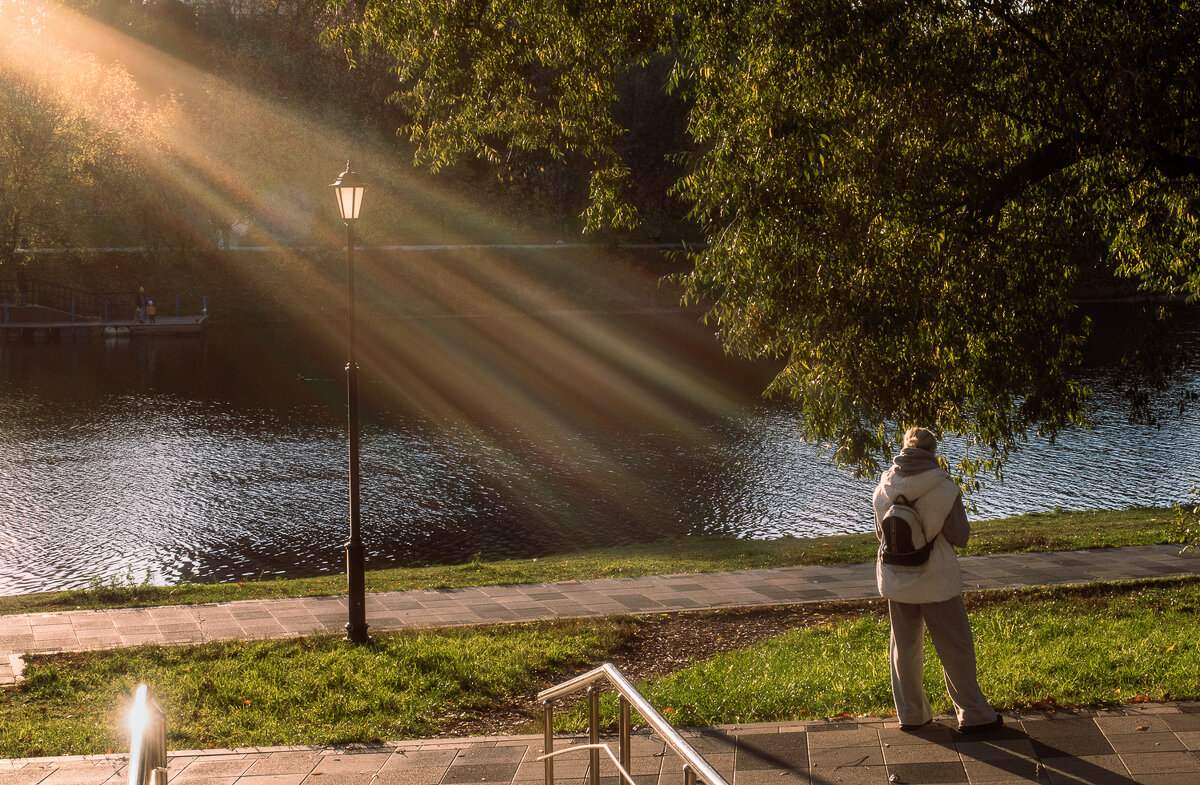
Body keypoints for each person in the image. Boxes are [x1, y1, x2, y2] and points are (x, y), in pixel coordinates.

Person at [873, 427, 1002, 734]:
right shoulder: (944, 487)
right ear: (933, 452)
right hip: (937, 578)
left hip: (897, 578)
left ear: (904, 449)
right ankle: (972, 713)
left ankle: (911, 714)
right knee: (955, 645)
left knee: (903, 647)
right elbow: (960, 537)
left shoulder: (883, 486)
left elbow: (881, 534)